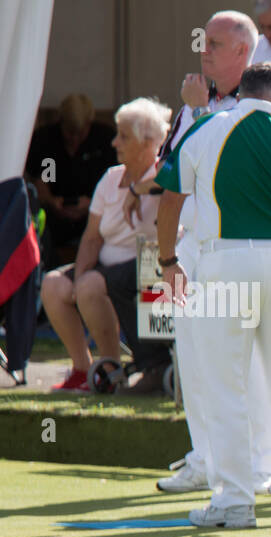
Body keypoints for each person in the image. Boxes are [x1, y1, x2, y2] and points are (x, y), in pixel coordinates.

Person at [155, 62, 271, 529]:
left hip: (224, 263)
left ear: (243, 93)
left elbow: (170, 198)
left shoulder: (208, 129)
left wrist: (167, 263)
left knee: (225, 383)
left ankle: (235, 500)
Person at [42, 99, 171, 394]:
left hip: (147, 269)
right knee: (53, 285)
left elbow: (177, 180)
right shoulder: (111, 178)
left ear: (148, 142)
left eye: (124, 136)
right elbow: (91, 237)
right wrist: (79, 276)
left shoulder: (163, 176)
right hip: (104, 266)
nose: (114, 143)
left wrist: (84, 280)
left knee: (88, 285)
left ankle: (111, 368)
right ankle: (82, 368)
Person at [25, 94, 116, 260]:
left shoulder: (105, 140)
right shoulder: (47, 141)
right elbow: (43, 180)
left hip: (95, 213)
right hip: (56, 215)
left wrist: (92, 203)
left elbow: (115, 183)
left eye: (80, 134)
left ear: (89, 124)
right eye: (69, 133)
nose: (74, 139)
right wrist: (53, 201)